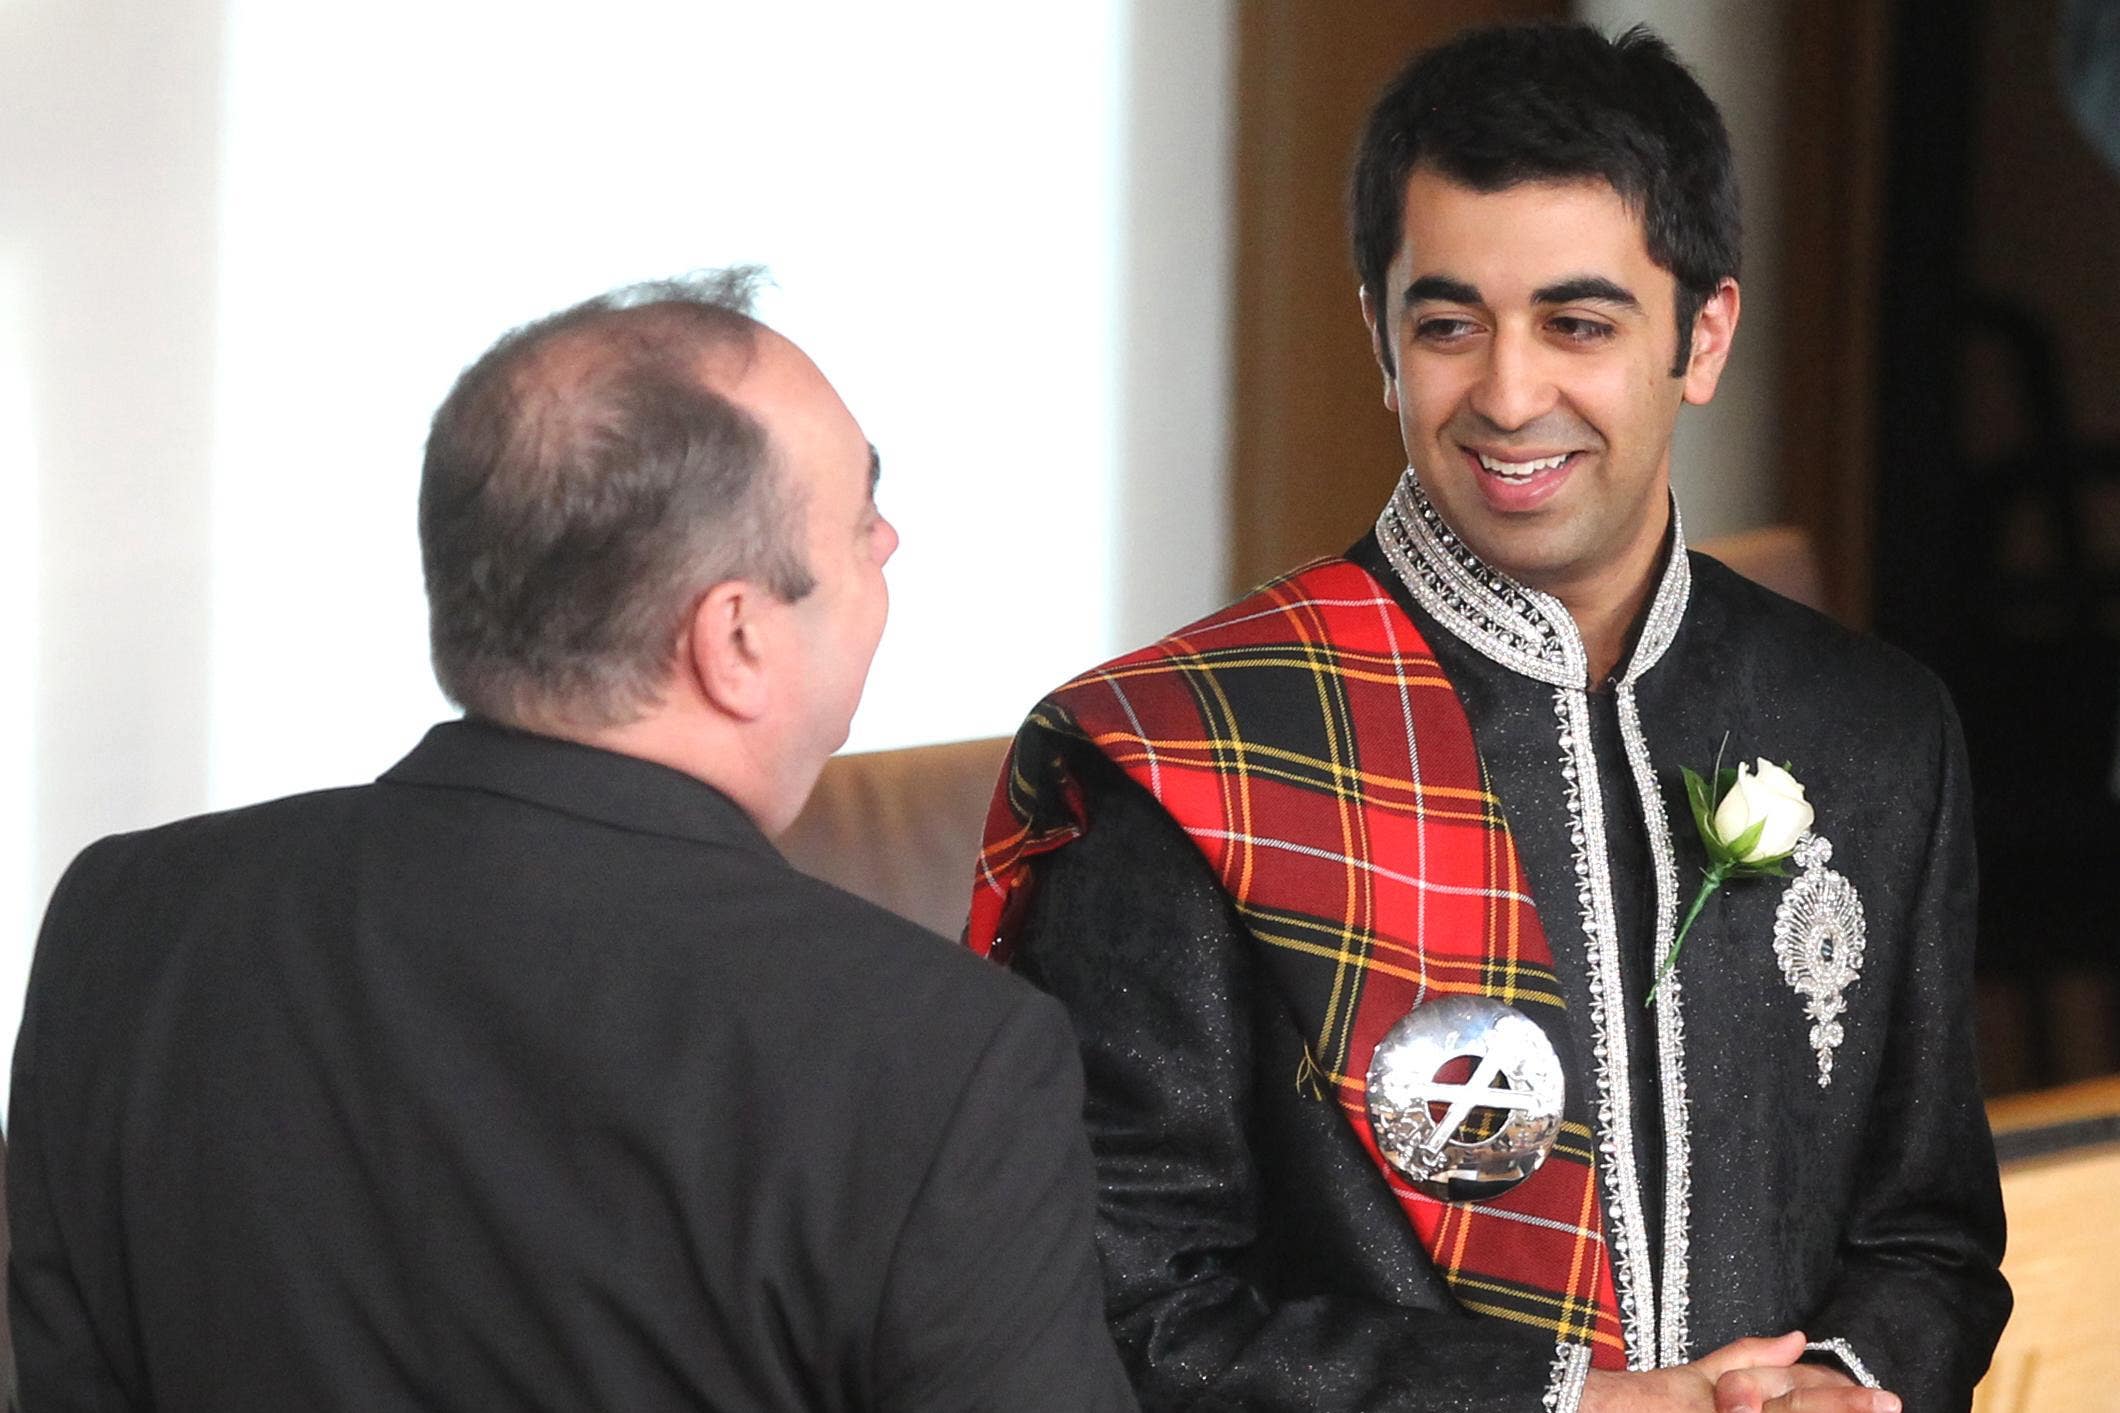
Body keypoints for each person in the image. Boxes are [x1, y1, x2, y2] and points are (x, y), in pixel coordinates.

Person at [969, 23, 2007, 1413]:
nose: (1509, 396)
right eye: (1449, 324)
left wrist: (1839, 1378)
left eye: (1579, 323)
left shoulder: (1876, 729)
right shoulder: (1188, 758)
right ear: (1380, 338)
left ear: (1704, 335)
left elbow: (1928, 1237)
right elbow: (1128, 1316)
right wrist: (1562, 1406)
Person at [10, 271, 1135, 1411]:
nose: (888, 541)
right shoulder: (937, 1058)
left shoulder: (128, 920)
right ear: (733, 638)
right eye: (859, 520)